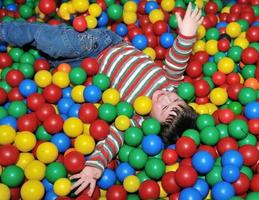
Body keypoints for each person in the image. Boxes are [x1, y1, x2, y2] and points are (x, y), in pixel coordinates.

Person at [0, 2, 203, 196]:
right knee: (54, 43)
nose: (165, 97)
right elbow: (177, 61)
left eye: (165, 107)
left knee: (53, 55)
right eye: (174, 98)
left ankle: (56, 31)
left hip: (84, 71)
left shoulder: (135, 118)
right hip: (103, 46)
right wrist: (187, 35)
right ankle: (4, 31)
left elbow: (112, 139)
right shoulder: (169, 81)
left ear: (152, 124)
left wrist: (94, 167)